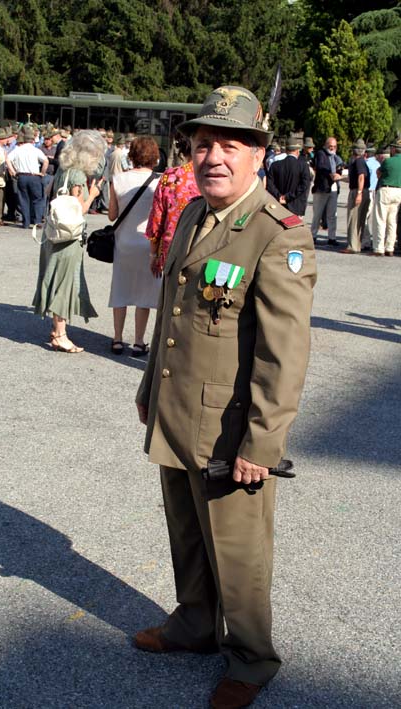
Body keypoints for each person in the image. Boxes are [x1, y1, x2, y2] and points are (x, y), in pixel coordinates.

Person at [134, 85, 316, 709]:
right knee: (186, 531)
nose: (213, 156)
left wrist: (262, 443)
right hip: (177, 409)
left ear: (258, 155)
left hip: (229, 428)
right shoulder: (191, 214)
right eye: (203, 143)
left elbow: (283, 354)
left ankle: (251, 657)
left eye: (230, 145)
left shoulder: (277, 234)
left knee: (237, 551)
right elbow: (172, 313)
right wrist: (148, 385)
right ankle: (193, 623)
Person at [32, 130, 104, 352]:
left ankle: (57, 330)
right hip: (68, 236)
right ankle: (60, 335)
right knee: (65, 282)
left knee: (55, 278)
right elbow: (79, 209)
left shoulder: (63, 170)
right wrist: (94, 193)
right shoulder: (78, 176)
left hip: (53, 233)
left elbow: (50, 193)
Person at [108, 136, 161, 356]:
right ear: (155, 157)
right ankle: (139, 341)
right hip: (148, 244)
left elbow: (112, 215)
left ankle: (117, 339)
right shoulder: (160, 181)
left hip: (124, 243)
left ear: (132, 155)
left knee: (120, 290)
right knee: (143, 295)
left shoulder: (118, 179)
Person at [145, 132, 200, 277]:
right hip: (201, 248)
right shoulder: (210, 176)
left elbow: (157, 218)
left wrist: (153, 254)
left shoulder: (171, 177)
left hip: (171, 249)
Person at [6, 126, 49, 229]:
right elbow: (46, 161)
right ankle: (37, 221)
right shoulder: (35, 150)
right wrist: (42, 173)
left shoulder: (17, 150)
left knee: (23, 199)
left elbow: (7, 159)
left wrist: (13, 171)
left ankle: (26, 222)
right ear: (33, 141)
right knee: (37, 199)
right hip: (34, 176)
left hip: (21, 176)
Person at [266, 135, 311, 216]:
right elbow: (304, 185)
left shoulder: (275, 165)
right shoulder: (303, 165)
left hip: (278, 205)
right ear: (297, 151)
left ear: (286, 151)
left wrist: (279, 196)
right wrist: (288, 197)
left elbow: (270, 185)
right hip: (295, 206)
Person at [371, 138, 401, 257]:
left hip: (386, 190)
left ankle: (379, 248)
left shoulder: (388, 161)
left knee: (380, 219)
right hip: (398, 191)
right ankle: (390, 247)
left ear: (394, 149)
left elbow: (378, 173)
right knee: (392, 221)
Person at [311, 137, 343, 246]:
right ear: (325, 145)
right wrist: (331, 174)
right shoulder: (321, 154)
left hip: (333, 187)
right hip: (322, 187)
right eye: (330, 146)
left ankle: (332, 237)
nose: (332, 148)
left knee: (332, 214)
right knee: (317, 214)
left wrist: (338, 173)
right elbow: (320, 167)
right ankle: (313, 236)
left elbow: (340, 167)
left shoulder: (336, 157)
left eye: (334, 146)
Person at [340, 139, 370, 255]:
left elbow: (361, 177)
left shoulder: (358, 162)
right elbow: (355, 178)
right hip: (364, 191)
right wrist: (340, 178)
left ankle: (352, 246)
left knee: (353, 219)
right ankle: (357, 244)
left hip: (358, 191)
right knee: (360, 220)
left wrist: (359, 193)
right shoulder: (362, 161)